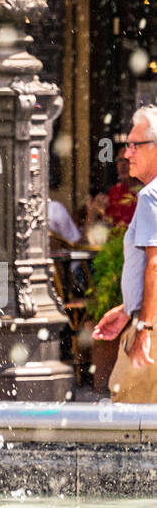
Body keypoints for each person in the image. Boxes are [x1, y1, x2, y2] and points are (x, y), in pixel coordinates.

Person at [92, 106, 157, 401]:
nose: (127, 153)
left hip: (152, 328)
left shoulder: (150, 196)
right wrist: (127, 309)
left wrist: (143, 326)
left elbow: (155, 265)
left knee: (127, 419)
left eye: (134, 145)